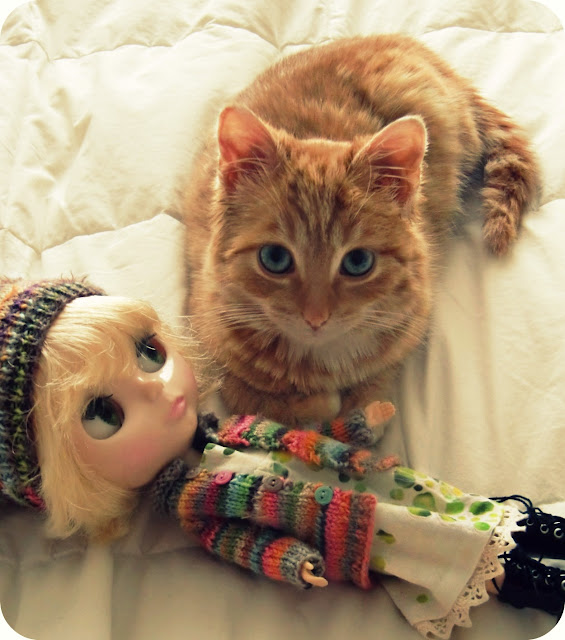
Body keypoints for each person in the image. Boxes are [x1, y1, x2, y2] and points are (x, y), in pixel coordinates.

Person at [1, 277, 563, 640]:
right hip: (362, 534)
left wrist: (357, 428)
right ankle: (527, 581)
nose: (157, 386)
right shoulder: (194, 503)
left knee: (450, 505)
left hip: (377, 485)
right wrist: (291, 561)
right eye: (104, 413)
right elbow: (238, 541)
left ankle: (538, 530)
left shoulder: (232, 429)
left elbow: (305, 442)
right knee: (441, 553)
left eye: (149, 352)